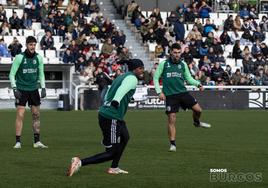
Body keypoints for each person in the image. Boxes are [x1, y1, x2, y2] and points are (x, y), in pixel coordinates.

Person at [67, 59, 145, 176]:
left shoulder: (121, 77)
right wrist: (116, 100)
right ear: (135, 69)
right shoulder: (132, 78)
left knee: (125, 137)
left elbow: (111, 90)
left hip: (109, 114)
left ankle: (114, 167)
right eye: (141, 68)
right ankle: (80, 162)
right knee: (111, 153)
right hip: (111, 116)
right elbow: (121, 90)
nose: (142, 70)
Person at [153, 43, 211, 152]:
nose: (177, 55)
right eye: (175, 52)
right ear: (170, 52)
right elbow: (156, 78)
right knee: (171, 119)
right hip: (170, 96)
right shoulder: (164, 64)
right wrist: (159, 92)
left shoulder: (183, 64)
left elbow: (188, 79)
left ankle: (196, 122)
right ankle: (173, 144)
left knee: (198, 110)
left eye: (179, 52)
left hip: (183, 93)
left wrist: (198, 84)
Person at [9, 36, 48, 149]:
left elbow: (41, 74)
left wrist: (43, 88)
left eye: (34, 44)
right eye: (30, 44)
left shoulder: (39, 58)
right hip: (21, 89)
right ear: (26, 45)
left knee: (36, 115)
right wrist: (15, 89)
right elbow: (12, 74)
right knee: (20, 115)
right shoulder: (19, 57)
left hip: (34, 89)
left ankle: (37, 141)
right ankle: (18, 142)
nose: (32, 46)